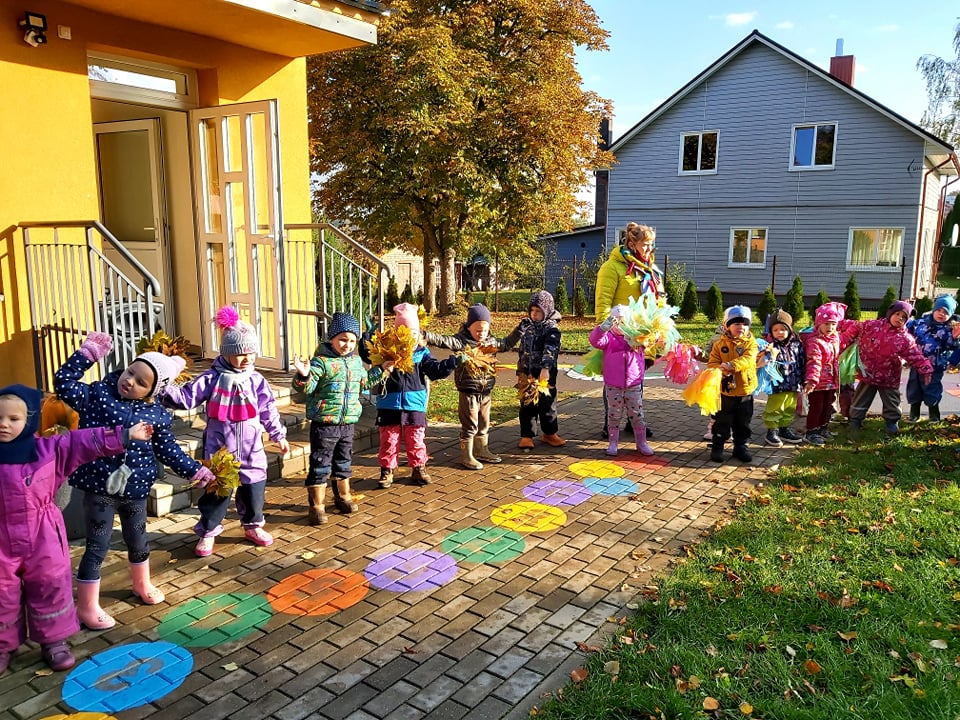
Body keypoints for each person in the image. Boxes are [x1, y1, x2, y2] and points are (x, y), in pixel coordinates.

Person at [54, 333, 214, 629]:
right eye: (130, 372)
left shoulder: (156, 415)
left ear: (153, 391)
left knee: (138, 540)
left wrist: (194, 470)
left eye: (141, 382)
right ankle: (87, 606)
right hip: (99, 487)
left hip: (136, 490)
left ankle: (142, 583)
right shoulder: (97, 395)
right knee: (97, 545)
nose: (129, 381)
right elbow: (63, 382)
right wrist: (87, 354)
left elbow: (168, 450)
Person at [0, 384, 153, 673]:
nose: (4, 424)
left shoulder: (47, 450)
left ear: (29, 419)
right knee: (1, 592)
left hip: (42, 533)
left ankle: (53, 641)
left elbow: (83, 441)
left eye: (13, 418)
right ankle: (3, 646)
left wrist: (123, 435)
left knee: (50, 584)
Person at [158, 307, 289, 556]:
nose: (247, 358)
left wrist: (278, 434)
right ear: (226, 353)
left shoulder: (256, 380)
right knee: (217, 493)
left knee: (254, 490)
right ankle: (208, 531)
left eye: (251, 352)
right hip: (220, 448)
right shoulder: (211, 378)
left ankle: (253, 525)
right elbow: (187, 397)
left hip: (251, 448)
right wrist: (162, 386)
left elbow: (268, 409)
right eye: (240, 353)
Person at [293, 312, 384, 524]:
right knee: (320, 462)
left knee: (343, 460)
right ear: (331, 338)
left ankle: (342, 496)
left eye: (352, 341)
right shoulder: (321, 362)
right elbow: (306, 388)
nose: (347, 345)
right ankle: (317, 505)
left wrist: (381, 370)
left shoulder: (356, 362)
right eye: (342, 339)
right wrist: (303, 375)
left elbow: (364, 383)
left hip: (348, 423)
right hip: (325, 423)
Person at [363, 303, 456, 488]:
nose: (409, 337)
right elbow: (366, 354)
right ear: (396, 333)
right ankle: (387, 470)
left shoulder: (422, 354)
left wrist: (451, 363)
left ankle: (418, 467)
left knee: (416, 439)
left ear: (419, 334)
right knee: (389, 440)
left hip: (415, 404)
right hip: (389, 403)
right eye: (403, 332)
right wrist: (367, 337)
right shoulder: (386, 351)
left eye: (413, 332)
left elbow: (435, 370)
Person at [595, 222, 666, 440]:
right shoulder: (612, 267)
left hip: (643, 335)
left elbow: (659, 300)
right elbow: (603, 302)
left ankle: (633, 422)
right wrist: (605, 329)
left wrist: (660, 327)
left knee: (636, 377)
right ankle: (610, 423)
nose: (649, 248)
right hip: (618, 336)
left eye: (651, 244)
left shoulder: (651, 269)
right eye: (645, 244)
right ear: (632, 243)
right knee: (615, 380)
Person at [422, 303, 503, 470]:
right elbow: (443, 340)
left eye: (484, 330)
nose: (481, 334)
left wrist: (520, 332)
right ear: (469, 327)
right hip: (468, 391)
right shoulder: (461, 342)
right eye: (477, 330)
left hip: (486, 391)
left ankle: (482, 449)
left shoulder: (490, 342)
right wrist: (425, 335)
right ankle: (467, 455)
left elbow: (507, 343)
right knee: (470, 423)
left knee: (484, 422)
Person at [845, 300, 933, 434]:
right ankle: (855, 421)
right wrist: (841, 331)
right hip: (868, 373)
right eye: (897, 314)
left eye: (904, 317)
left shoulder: (905, 339)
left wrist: (926, 368)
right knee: (861, 398)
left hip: (889, 376)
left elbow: (915, 355)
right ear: (890, 313)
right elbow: (853, 326)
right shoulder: (871, 326)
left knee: (892, 401)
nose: (900, 318)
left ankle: (892, 422)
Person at [500, 290, 565, 449]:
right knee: (527, 403)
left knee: (547, 403)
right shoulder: (526, 325)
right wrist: (520, 371)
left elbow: (551, 349)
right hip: (526, 371)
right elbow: (515, 343)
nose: (534, 314)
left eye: (538, 311)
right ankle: (527, 435)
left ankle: (549, 433)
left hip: (544, 373)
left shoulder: (551, 328)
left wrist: (545, 368)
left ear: (546, 311)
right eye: (532, 310)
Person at [589, 305, 653, 456]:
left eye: (623, 321)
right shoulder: (609, 338)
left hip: (633, 384)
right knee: (614, 414)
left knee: (637, 414)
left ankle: (641, 442)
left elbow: (652, 341)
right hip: (613, 385)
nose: (620, 325)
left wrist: (642, 339)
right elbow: (595, 341)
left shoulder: (637, 338)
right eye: (616, 321)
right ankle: (613, 442)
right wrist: (602, 329)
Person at [707, 306, 758, 463]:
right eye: (736, 323)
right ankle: (717, 447)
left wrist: (731, 365)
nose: (741, 327)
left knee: (743, 422)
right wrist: (720, 370)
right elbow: (713, 362)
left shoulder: (751, 344)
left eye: (745, 324)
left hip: (745, 391)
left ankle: (740, 447)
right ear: (727, 325)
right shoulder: (719, 344)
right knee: (722, 421)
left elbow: (748, 359)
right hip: (726, 391)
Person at [802, 302, 851, 445]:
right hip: (818, 383)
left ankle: (823, 428)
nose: (830, 327)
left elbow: (846, 339)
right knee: (816, 407)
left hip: (831, 381)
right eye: (826, 324)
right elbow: (814, 361)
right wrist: (812, 380)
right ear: (818, 324)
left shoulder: (835, 338)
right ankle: (811, 432)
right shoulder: (815, 341)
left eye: (833, 324)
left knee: (827, 406)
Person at [905, 294, 960, 421]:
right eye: (939, 310)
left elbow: (951, 346)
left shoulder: (948, 329)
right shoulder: (920, 323)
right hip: (917, 364)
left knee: (932, 389)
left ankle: (934, 415)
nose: (941, 314)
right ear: (934, 310)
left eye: (945, 312)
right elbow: (906, 330)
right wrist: (907, 313)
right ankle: (914, 413)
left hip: (935, 366)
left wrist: (954, 338)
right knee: (914, 388)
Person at [760, 309, 806, 447]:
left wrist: (803, 378)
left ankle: (784, 428)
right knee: (775, 407)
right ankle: (772, 430)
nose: (779, 332)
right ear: (771, 331)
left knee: (789, 407)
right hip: (777, 384)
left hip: (794, 382)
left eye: (783, 329)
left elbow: (802, 361)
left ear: (789, 330)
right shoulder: (770, 346)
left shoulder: (797, 344)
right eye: (775, 330)